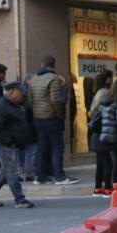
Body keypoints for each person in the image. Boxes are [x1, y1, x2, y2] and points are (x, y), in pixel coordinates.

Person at [0, 82, 36, 209]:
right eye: (20, 93)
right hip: (5, 145)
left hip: (13, 143)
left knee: (5, 171)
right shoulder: (0, 106)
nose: (23, 95)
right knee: (12, 172)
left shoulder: (16, 104)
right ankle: (20, 199)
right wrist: (8, 142)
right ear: (11, 92)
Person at [28, 56, 79, 185]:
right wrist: (60, 115)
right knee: (57, 147)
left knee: (41, 147)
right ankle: (59, 176)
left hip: (38, 118)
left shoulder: (33, 79)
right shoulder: (54, 79)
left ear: (42, 64)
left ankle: (39, 176)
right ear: (53, 65)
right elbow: (56, 101)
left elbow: (30, 100)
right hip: (51, 119)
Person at [89, 78, 117, 196]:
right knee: (108, 165)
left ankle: (98, 188)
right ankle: (107, 188)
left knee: (101, 164)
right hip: (104, 138)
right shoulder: (116, 105)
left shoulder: (102, 106)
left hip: (97, 137)